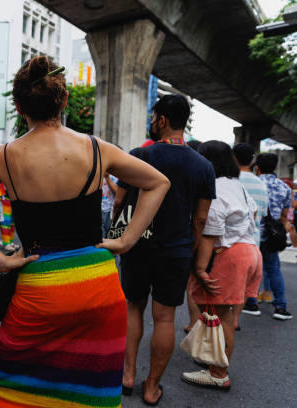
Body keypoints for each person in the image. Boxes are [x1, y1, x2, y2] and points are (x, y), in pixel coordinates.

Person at [0, 55, 170, 407]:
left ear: (19, 106)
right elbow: (158, 182)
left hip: (40, 286)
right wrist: (126, 240)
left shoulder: (4, 157)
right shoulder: (96, 148)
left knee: (11, 388)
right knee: (88, 388)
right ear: (63, 101)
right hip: (97, 284)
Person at [118, 94, 216, 404]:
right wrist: (191, 250)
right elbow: (200, 218)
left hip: (137, 244)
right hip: (176, 249)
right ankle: (151, 388)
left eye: (153, 116)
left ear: (161, 120)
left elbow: (120, 202)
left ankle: (128, 375)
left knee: (133, 308)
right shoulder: (203, 165)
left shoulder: (138, 156)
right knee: (164, 318)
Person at [181, 140, 262, 390]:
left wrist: (201, 268)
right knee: (221, 313)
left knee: (223, 316)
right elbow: (255, 212)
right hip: (249, 250)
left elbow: (208, 229)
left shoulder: (214, 188)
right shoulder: (237, 186)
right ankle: (215, 365)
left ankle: (218, 374)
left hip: (229, 255)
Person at [233, 143, 269, 322]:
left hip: (231, 243)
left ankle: (224, 322)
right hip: (254, 244)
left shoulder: (231, 180)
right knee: (243, 288)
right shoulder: (261, 184)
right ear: (252, 160)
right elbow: (263, 213)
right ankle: (235, 320)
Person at [255, 153, 293, 320]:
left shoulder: (253, 183)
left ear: (257, 167)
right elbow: (285, 215)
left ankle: (250, 302)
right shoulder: (285, 187)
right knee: (273, 268)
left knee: (253, 269)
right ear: (276, 167)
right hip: (272, 235)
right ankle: (280, 306)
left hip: (254, 233)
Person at [101, 172, 119, 237]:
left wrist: (107, 177)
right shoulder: (97, 172)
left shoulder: (116, 175)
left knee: (109, 234)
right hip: (98, 209)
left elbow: (117, 193)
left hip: (110, 210)